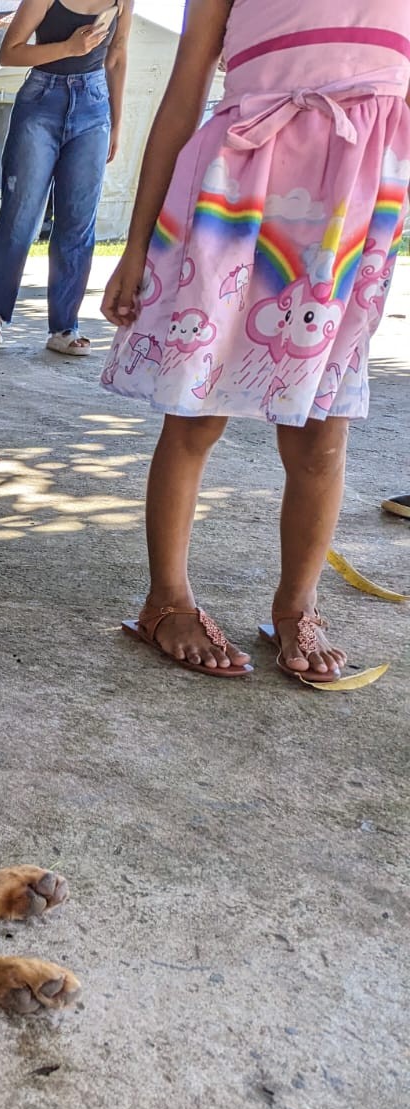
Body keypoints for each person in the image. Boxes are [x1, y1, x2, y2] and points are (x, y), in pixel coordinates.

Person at [100, 0, 410, 683]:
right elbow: (183, 95)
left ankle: (298, 604)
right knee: (196, 411)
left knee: (323, 430)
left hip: (352, 210)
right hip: (235, 193)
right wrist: (137, 242)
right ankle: (165, 600)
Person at [0, 0, 132, 356]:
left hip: (94, 105)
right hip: (41, 99)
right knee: (20, 215)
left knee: (78, 220)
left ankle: (64, 327)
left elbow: (117, 56)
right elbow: (9, 52)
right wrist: (69, 48)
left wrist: (116, 123)